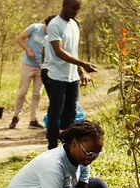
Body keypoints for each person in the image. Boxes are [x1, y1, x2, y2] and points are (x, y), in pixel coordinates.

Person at [46, 0, 98, 149]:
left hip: (72, 76)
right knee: (56, 111)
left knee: (72, 111)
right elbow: (59, 52)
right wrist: (83, 64)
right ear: (64, 5)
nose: (75, 12)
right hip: (57, 76)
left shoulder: (74, 25)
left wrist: (81, 71)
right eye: (72, 8)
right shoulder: (55, 24)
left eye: (77, 10)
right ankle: (52, 146)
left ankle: (67, 145)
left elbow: (73, 51)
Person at [8, 18, 51, 129]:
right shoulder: (35, 28)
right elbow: (19, 38)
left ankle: (33, 119)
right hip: (28, 65)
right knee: (22, 92)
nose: (49, 30)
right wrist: (27, 49)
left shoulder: (53, 34)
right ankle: (16, 117)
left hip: (42, 67)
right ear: (45, 24)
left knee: (37, 94)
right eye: (48, 27)